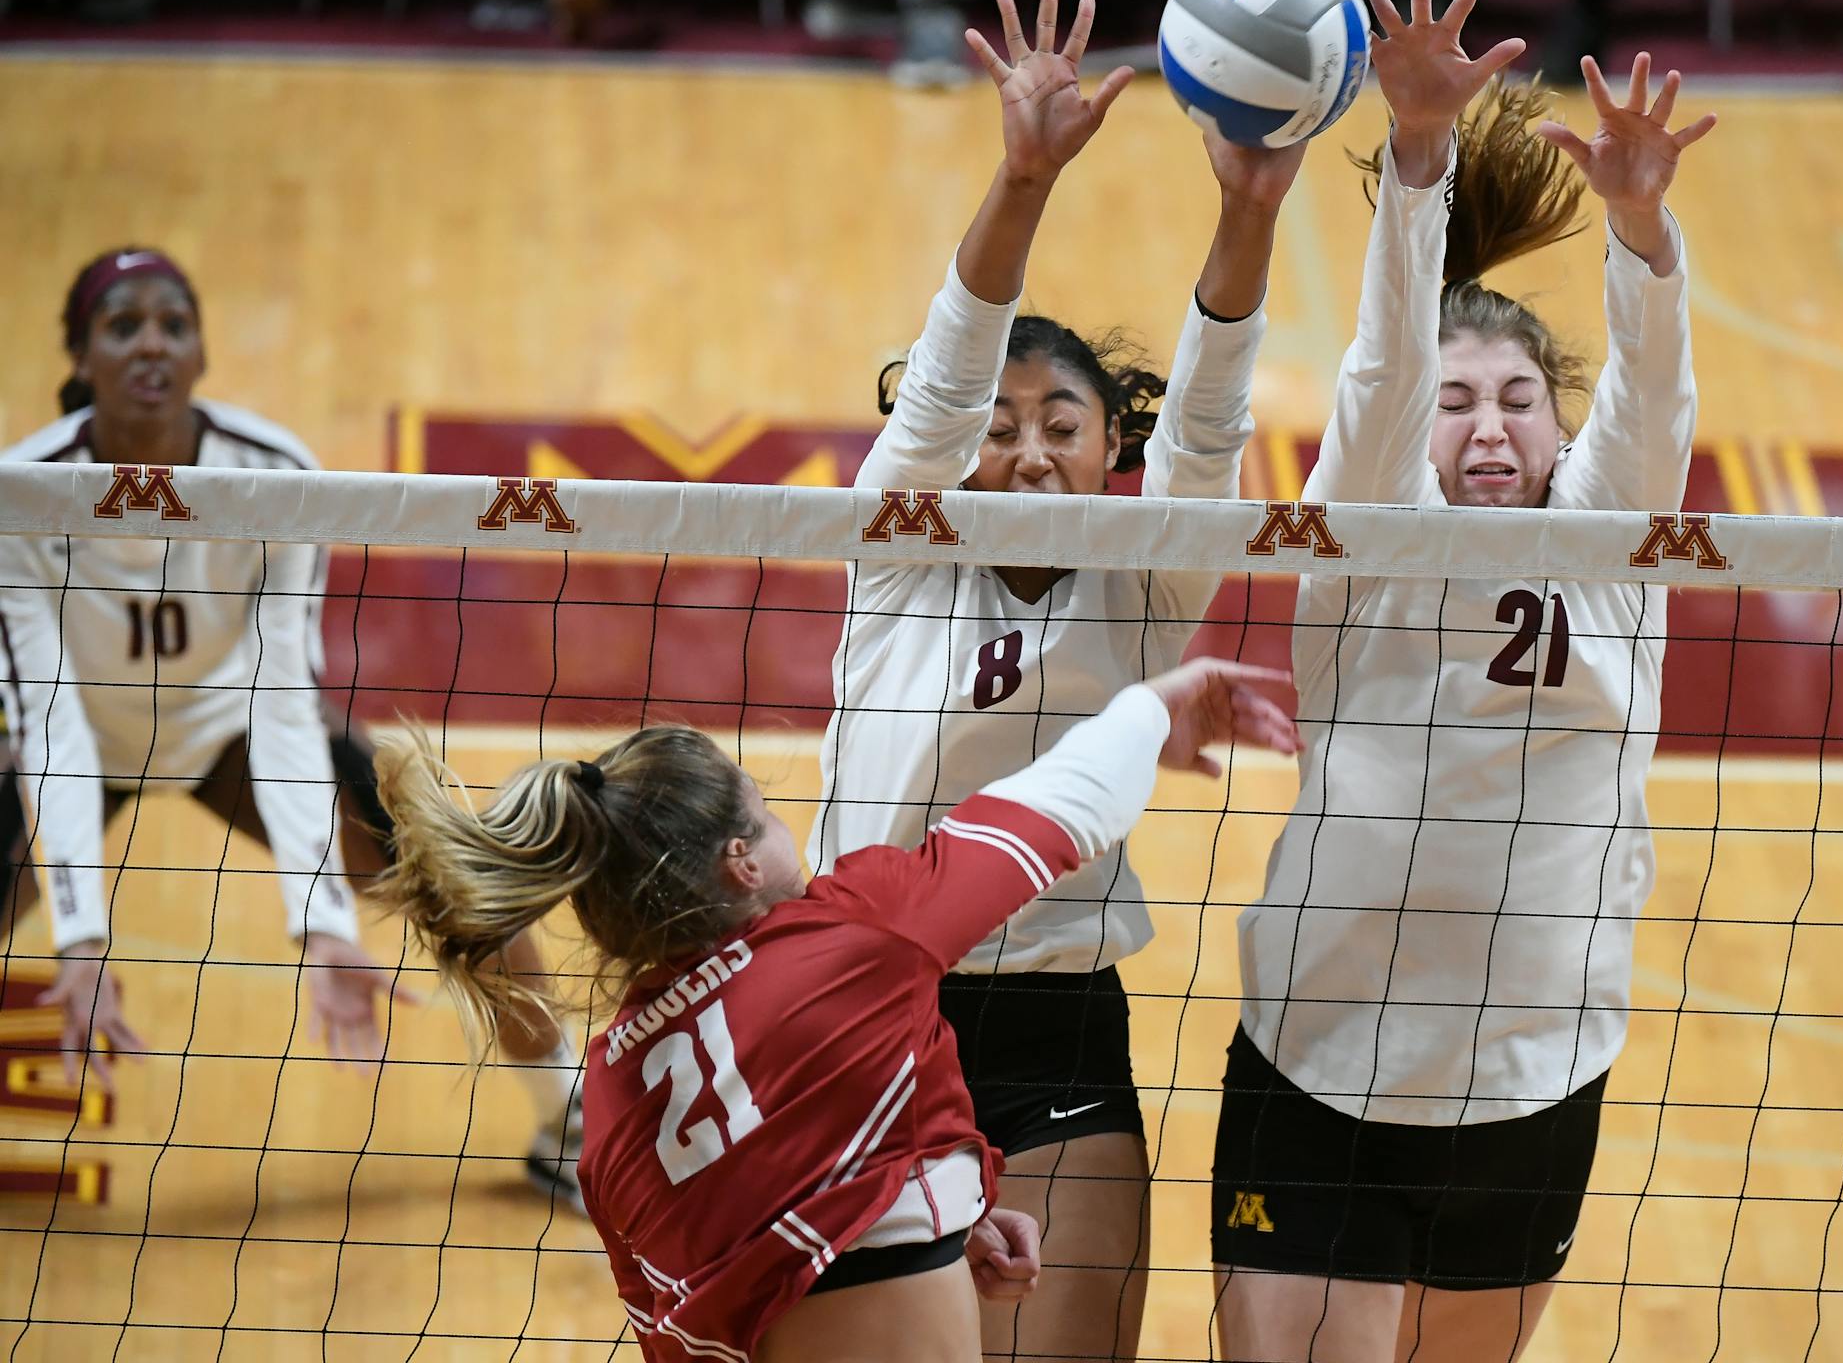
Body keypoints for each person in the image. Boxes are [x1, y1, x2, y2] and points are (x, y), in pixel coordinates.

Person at [1210, 0, 1717, 1363]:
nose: (1490, 427)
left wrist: (1638, 225)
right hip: (1322, 1067)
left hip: (1532, 1083)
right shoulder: (1368, 530)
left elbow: (1656, 395)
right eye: (1458, 403)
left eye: (1518, 399)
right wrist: (1419, 148)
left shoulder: (1615, 543)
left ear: (1561, 425)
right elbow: (1379, 373)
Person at [809, 0, 1305, 1363]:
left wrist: (1250, 210)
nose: (1028, 452)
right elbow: (945, 373)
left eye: (1064, 425)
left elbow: (1209, 425)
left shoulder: (1147, 580)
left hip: (1056, 1024)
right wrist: (1023, 177)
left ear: (1108, 452)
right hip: (869, 1009)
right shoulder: (900, 548)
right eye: (1002, 426)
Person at [370, 656, 1301, 1363]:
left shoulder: (610, 1096)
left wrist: (940, 1216)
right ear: (741, 860)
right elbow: (1056, 811)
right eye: (767, 812)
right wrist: (1154, 705)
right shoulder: (849, 938)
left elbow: (731, 1271)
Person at [0, 248, 589, 1211]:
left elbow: (282, 700)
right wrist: (80, 936)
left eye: (174, 325)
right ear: (80, 354)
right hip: (83, 740)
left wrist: (323, 921)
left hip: (230, 729)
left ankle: (567, 1121)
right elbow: (50, 716)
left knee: (472, 888)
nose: (152, 344)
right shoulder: (23, 490)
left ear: (200, 354)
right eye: (123, 326)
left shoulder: (274, 475)